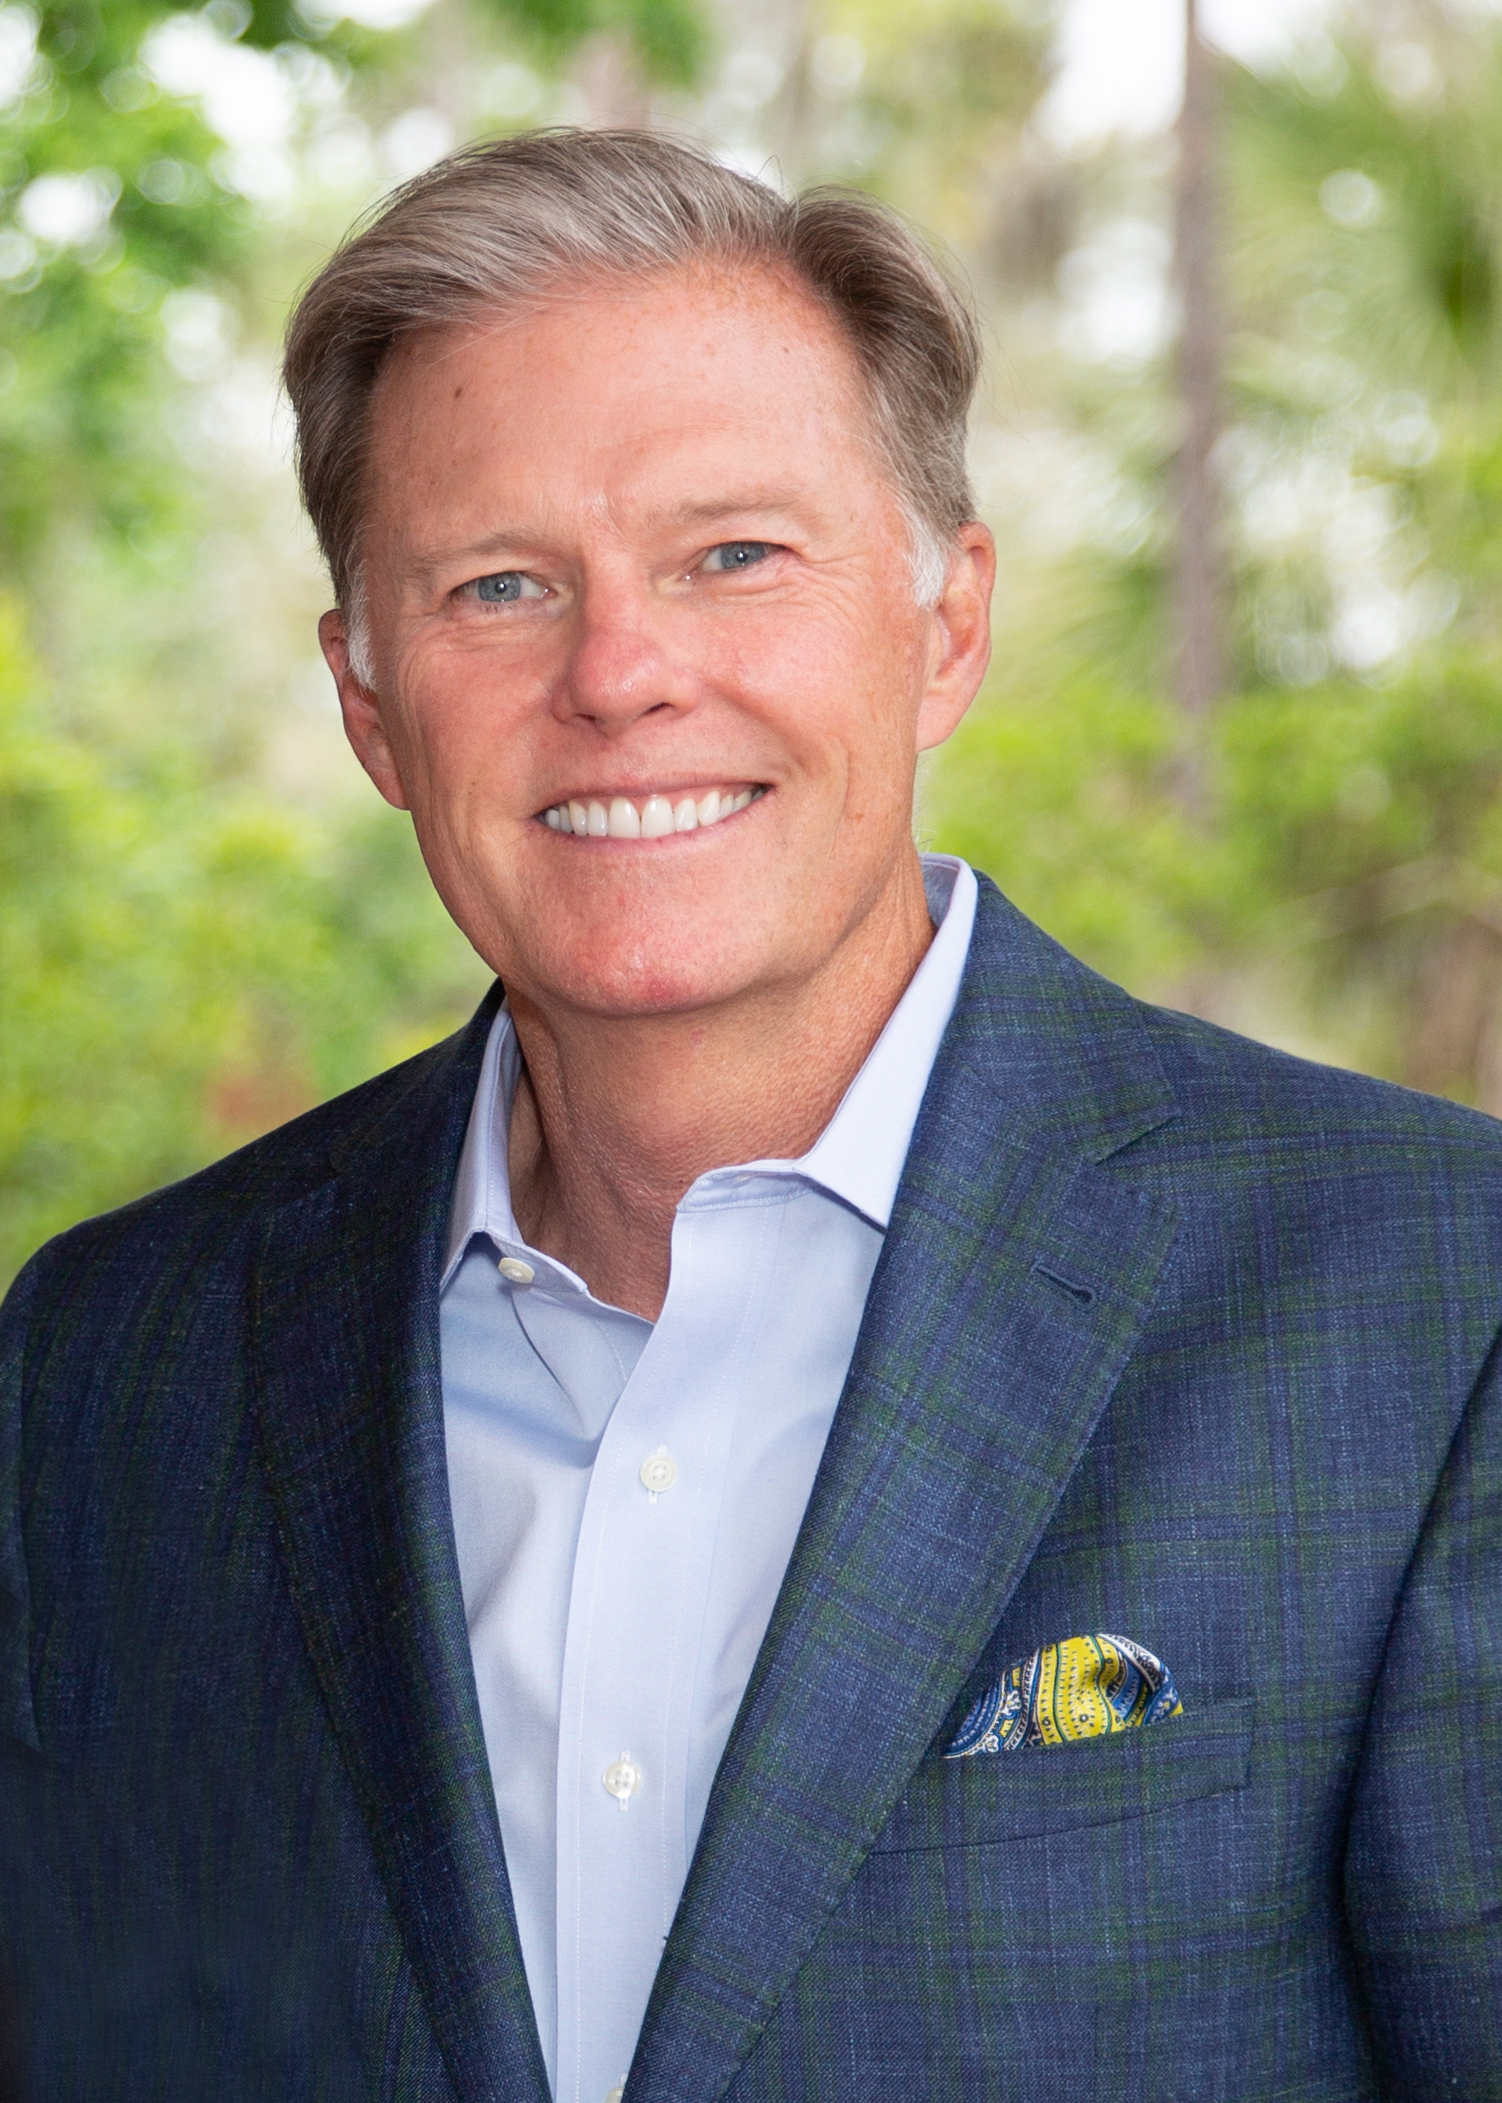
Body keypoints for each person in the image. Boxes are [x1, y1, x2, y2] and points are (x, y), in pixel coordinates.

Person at [1, 128, 1499, 2103]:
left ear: (944, 623)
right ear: (369, 704)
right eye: (498, 584)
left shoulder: (1431, 1303)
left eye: (733, 556)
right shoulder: (108, 1367)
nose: (620, 675)